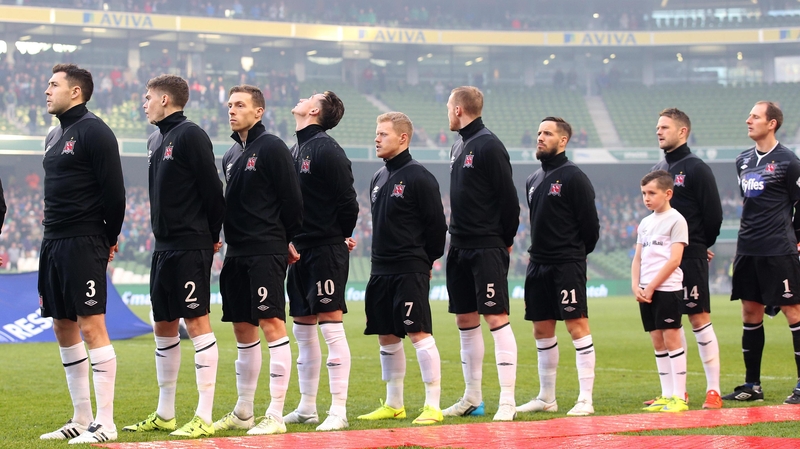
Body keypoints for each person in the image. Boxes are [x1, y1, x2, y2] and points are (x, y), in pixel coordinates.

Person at [123, 74, 225, 438]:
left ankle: (204, 416)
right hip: (163, 246)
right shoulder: (155, 139)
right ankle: (165, 413)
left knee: (196, 322)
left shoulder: (191, 135)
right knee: (163, 324)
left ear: (165, 99)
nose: (144, 103)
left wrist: (211, 236)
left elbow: (213, 191)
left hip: (190, 244)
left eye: (148, 97)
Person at [38, 63, 126, 444]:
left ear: (76, 92)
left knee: (91, 325)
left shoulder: (95, 131)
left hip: (84, 240)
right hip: (52, 240)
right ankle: (81, 417)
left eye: (53, 84)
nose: (47, 90)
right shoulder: (53, 136)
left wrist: (108, 237)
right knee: (62, 325)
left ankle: (105, 423)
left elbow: (115, 194)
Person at [212, 85, 303, 436]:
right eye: (230, 105)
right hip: (236, 252)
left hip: (265, 249)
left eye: (240, 105)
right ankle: (243, 411)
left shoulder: (273, 147)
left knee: (271, 323)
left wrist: (285, 240)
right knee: (242, 327)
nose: (232, 110)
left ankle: (275, 414)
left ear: (259, 111)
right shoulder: (231, 154)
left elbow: (292, 200)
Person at [357, 112, 447, 426]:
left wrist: (424, 262)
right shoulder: (378, 177)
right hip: (379, 269)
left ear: (403, 138)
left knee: (418, 332)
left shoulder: (419, 177)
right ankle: (394, 403)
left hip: (409, 268)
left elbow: (437, 227)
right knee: (386, 335)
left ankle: (433, 405)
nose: (377, 138)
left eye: (383, 134)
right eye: (377, 133)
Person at [283, 91, 359, 431]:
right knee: (302, 329)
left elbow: (348, 202)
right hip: (299, 252)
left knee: (330, 326)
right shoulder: (294, 149)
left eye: (311, 97)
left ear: (315, 110)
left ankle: (338, 410)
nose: (302, 98)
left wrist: (337, 235)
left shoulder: (327, 149)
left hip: (325, 250)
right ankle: (307, 407)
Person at [443, 86, 519, 421]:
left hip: (486, 246)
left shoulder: (489, 144)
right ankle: (472, 398)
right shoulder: (459, 145)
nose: (447, 113)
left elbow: (509, 200)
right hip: (459, 245)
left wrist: (504, 239)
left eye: (449, 107)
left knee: (496, 318)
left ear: (459, 109)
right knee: (465, 319)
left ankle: (508, 401)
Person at [516, 117, 600, 417]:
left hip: (567, 264)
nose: (540, 137)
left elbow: (590, 228)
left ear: (563, 140)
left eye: (548, 133)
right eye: (539, 132)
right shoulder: (533, 179)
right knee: (541, 329)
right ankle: (546, 397)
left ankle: (585, 399)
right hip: (538, 264)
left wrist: (574, 255)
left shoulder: (574, 177)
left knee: (577, 326)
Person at [725, 101, 800, 405]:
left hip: (778, 249)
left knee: (793, 312)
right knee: (750, 312)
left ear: (772, 123)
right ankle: (752, 385)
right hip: (747, 248)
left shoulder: (789, 161)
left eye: (755, 116)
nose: (748, 120)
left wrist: (796, 240)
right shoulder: (742, 160)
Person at [649, 108, 723, 409]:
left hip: (689, 256)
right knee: (668, 324)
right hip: (661, 259)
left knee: (698, 317)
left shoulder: (696, 168)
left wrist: (699, 244)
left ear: (682, 132)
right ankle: (676, 392)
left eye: (665, 127)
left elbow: (713, 215)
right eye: (657, 127)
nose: (658, 131)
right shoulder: (658, 168)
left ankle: (713, 390)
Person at [632, 170, 690, 412]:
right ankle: (666, 395)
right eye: (644, 193)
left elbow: (675, 260)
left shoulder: (677, 220)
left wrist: (651, 286)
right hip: (646, 289)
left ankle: (680, 396)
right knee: (657, 341)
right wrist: (635, 284)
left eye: (652, 193)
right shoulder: (645, 223)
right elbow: (638, 257)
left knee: (672, 339)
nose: (647, 198)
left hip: (667, 288)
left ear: (668, 193)